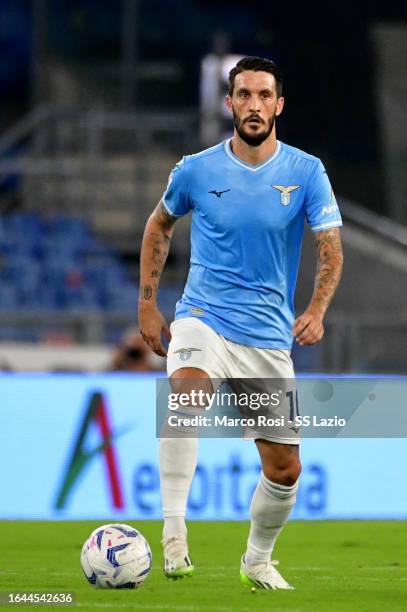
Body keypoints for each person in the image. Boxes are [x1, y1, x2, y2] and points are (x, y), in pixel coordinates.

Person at [138, 56, 343, 590]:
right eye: (244, 95)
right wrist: (147, 303)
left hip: (268, 336)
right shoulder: (196, 169)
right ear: (229, 103)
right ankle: (174, 531)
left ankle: (257, 559)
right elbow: (159, 226)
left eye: (264, 96)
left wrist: (317, 310)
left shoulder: (306, 172)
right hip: (203, 315)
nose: (254, 105)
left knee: (285, 470)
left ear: (279, 105)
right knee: (184, 396)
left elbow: (330, 249)